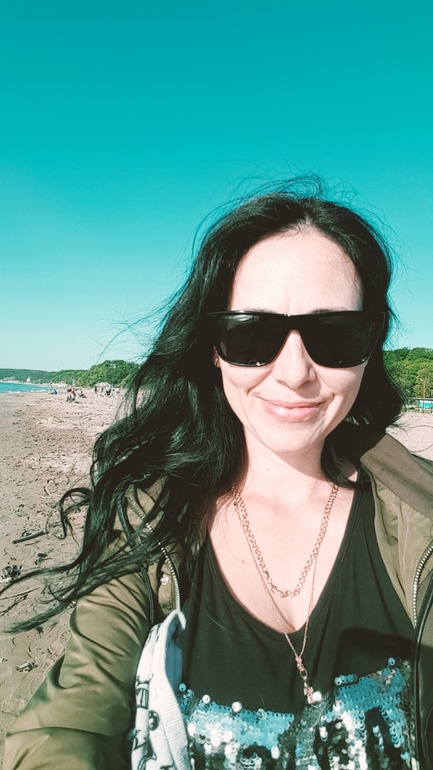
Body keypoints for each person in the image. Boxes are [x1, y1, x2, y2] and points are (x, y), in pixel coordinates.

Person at [4, 182, 433, 770]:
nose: (295, 373)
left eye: (336, 334)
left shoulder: (422, 515)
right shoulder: (146, 524)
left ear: (371, 343)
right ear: (212, 346)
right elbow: (71, 720)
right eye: (252, 334)